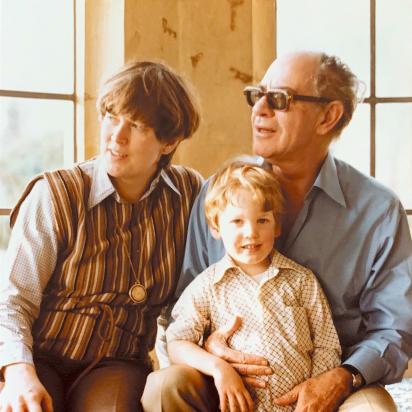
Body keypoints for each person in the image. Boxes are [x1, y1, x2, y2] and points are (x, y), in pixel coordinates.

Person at [142, 51, 412, 411]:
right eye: (257, 95)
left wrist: (341, 377)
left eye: (280, 99)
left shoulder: (377, 211)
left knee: (374, 411)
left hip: (338, 380)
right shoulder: (218, 195)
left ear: (328, 116)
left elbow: (395, 330)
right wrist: (211, 352)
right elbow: (184, 306)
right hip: (230, 382)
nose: (259, 110)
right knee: (165, 387)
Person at [0, 60, 203, 411]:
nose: (116, 136)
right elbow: (13, 301)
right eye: (111, 115)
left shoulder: (189, 194)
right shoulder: (57, 194)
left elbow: (206, 288)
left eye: (136, 125)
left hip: (116, 364)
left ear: (169, 141)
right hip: (37, 355)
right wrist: (18, 371)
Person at [166, 161, 341, 412]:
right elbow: (177, 343)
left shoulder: (302, 281)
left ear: (277, 225)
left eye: (262, 220)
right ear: (216, 227)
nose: (251, 232)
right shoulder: (206, 286)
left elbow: (326, 344)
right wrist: (219, 368)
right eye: (237, 221)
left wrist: (312, 395)